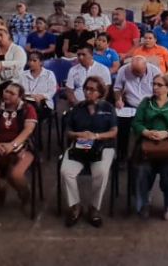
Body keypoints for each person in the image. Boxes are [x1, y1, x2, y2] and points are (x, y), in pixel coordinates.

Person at [60, 77, 117, 228]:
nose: (87, 92)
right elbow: (68, 131)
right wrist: (79, 135)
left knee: (102, 172)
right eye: (86, 89)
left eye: (92, 90)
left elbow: (113, 132)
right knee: (66, 172)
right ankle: (76, 206)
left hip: (102, 145)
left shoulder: (108, 108)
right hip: (81, 144)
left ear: (100, 92)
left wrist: (96, 136)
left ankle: (94, 208)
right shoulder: (77, 108)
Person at [132, 75, 168, 221]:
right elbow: (136, 123)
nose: (155, 87)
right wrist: (146, 132)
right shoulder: (146, 103)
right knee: (142, 169)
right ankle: (144, 203)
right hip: (148, 145)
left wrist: (167, 132)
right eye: (154, 84)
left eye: (159, 85)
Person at [0, 81, 37, 209]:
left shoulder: (28, 109)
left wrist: (13, 145)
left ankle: (25, 193)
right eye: (6, 91)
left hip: (23, 147)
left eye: (12, 93)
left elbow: (28, 130)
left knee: (15, 175)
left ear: (19, 97)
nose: (7, 95)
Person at [113, 57, 162, 159]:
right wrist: (118, 99)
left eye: (138, 72)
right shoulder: (124, 70)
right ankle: (123, 154)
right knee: (122, 126)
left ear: (145, 67)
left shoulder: (155, 71)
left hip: (150, 106)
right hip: (129, 105)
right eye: (133, 71)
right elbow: (117, 88)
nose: (135, 74)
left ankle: (148, 154)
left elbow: (162, 91)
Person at [21, 51, 57, 120]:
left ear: (41, 62)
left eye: (34, 60)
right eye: (30, 60)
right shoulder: (23, 74)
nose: (31, 63)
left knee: (32, 111)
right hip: (26, 102)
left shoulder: (49, 74)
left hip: (43, 103)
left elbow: (52, 91)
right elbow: (19, 90)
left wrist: (42, 96)